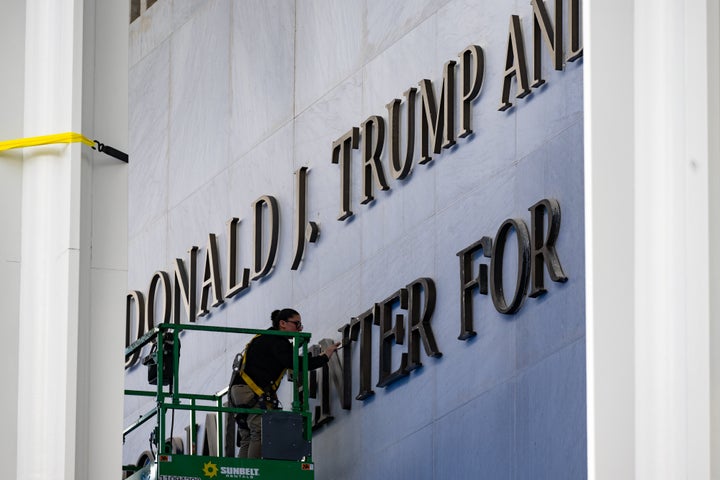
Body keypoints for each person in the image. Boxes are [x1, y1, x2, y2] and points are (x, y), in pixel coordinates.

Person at [229, 308, 339, 458]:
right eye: (297, 324)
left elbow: (274, 358)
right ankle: (253, 472)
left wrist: (293, 347)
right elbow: (294, 363)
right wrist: (324, 356)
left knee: (247, 437)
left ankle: (242, 473)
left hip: (238, 392)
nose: (300, 328)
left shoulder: (263, 337)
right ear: (283, 323)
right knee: (259, 433)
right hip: (252, 392)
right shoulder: (278, 341)